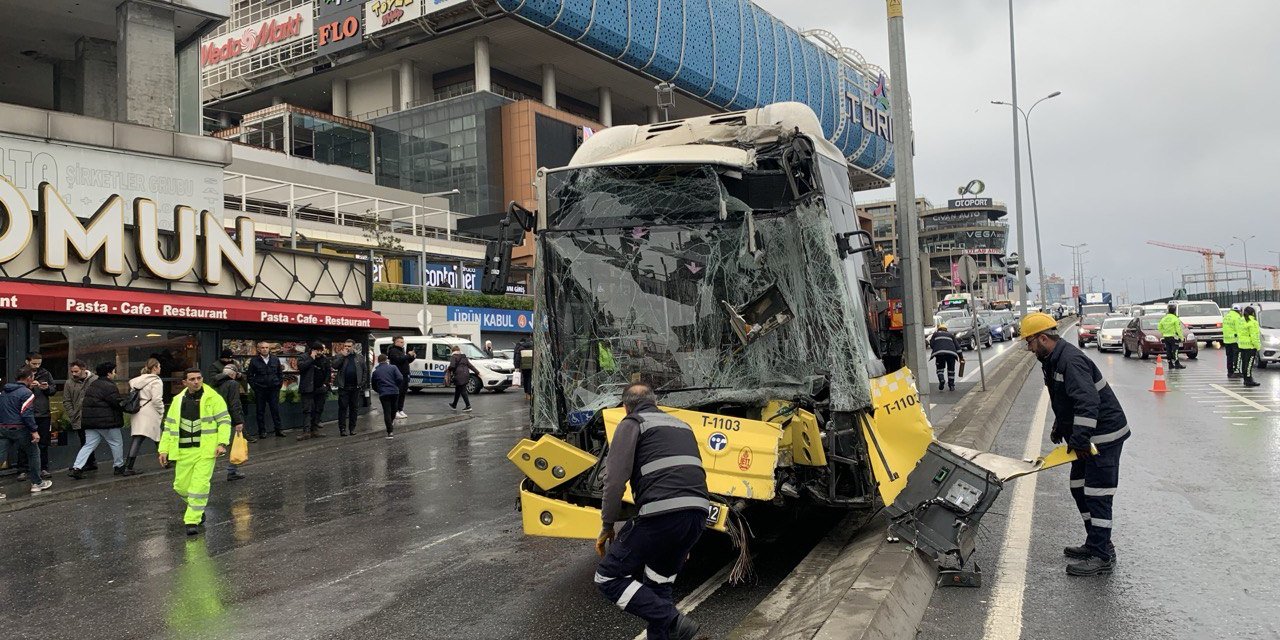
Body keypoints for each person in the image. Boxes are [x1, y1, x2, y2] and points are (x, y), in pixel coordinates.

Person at [595, 383, 708, 640]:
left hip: (661, 514)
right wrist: (684, 538)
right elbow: (695, 473)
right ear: (654, 401)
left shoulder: (631, 423)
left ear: (626, 406)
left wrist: (607, 525)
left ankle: (675, 621)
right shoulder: (682, 425)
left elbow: (613, 481)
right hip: (696, 513)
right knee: (659, 587)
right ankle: (668, 625)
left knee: (607, 576)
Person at [1022, 312, 1129, 576]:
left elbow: (1087, 402)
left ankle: (1102, 555)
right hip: (1086, 437)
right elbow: (1065, 398)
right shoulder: (1051, 360)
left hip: (1102, 437)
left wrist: (1079, 438)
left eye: (1030, 342)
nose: (1028, 347)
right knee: (1079, 487)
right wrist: (1061, 425)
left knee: (1097, 493)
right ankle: (1096, 542)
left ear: (1043, 338)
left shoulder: (1070, 361)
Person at [159, 369, 231, 536]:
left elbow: (224, 421)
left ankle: (192, 520)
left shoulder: (214, 398)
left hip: (206, 450)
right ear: (185, 382)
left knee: (199, 485)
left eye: (199, 378)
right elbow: (169, 427)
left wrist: (222, 443)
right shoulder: (177, 400)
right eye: (192, 379)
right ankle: (197, 508)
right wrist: (163, 450)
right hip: (183, 451)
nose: (196, 382)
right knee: (180, 486)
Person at [1, 367, 54, 497]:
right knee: (34, 453)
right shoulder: (27, 393)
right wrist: (34, 430)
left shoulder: (4, 392)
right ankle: (37, 483)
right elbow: (26, 414)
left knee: (0, 457)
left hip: (3, 428)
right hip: (20, 428)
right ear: (29, 378)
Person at [70, 362, 127, 479]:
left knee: (89, 445)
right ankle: (119, 466)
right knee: (116, 443)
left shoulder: (93, 384)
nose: (114, 374)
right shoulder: (109, 386)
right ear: (108, 373)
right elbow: (116, 402)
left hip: (91, 422)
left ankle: (77, 467)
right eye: (113, 371)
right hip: (107, 422)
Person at [123, 359, 165, 475]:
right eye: (159, 366)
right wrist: (161, 411)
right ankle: (166, 460)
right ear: (155, 368)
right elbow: (157, 399)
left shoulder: (137, 381)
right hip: (150, 411)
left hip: (138, 411)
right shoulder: (156, 381)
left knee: (140, 437)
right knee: (157, 436)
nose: (160, 368)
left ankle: (128, 466)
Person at [212, 357, 247, 481]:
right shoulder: (232, 384)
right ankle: (232, 471)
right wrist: (238, 421)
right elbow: (234, 403)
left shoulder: (214, 383)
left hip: (214, 418)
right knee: (234, 445)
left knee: (214, 445)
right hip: (229, 418)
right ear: (233, 374)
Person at [23, 352, 55, 479]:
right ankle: (23, 469)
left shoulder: (45, 373)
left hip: (42, 412)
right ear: (27, 362)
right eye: (34, 363)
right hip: (26, 412)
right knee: (24, 441)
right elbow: (17, 388)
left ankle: (43, 468)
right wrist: (29, 387)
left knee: (43, 442)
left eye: (39, 363)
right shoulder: (21, 372)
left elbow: (53, 390)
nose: (36, 366)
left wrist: (46, 388)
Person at [62, 361, 98, 471]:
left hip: (93, 415)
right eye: (72, 371)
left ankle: (89, 462)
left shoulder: (94, 380)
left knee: (91, 440)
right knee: (84, 440)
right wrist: (72, 414)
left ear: (83, 369)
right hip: (78, 416)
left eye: (76, 371)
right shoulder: (69, 383)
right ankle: (89, 462)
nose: (73, 374)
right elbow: (67, 400)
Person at [246, 341, 286, 440]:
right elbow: (250, 376)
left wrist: (278, 385)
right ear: (259, 349)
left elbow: (280, 373)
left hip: (273, 389)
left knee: (275, 410)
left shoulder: (275, 359)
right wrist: (255, 387)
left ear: (269, 349)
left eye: (267, 347)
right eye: (262, 348)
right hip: (260, 389)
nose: (265, 349)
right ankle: (262, 431)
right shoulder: (254, 361)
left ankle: (278, 430)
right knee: (260, 411)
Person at [333, 339, 368, 436]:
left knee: (354, 409)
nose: (347, 348)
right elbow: (334, 366)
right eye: (345, 346)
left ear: (353, 347)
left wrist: (362, 383)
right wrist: (342, 357)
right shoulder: (340, 356)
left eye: (349, 346)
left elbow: (365, 371)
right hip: (344, 387)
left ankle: (352, 428)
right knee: (343, 408)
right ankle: (342, 429)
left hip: (355, 388)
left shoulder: (360, 358)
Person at [296, 341, 330, 440]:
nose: (319, 352)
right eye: (317, 350)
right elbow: (301, 367)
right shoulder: (304, 357)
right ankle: (306, 432)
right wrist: (311, 358)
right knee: (307, 410)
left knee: (318, 410)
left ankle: (314, 430)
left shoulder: (325, 359)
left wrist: (325, 384)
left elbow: (328, 372)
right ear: (312, 350)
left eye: (320, 350)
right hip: (307, 389)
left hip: (320, 389)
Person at [371, 354, 404, 439]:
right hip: (394, 392)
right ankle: (391, 422)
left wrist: (379, 390)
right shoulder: (393, 368)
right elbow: (400, 378)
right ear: (387, 360)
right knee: (394, 409)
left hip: (383, 393)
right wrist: (396, 386)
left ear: (378, 361)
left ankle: (390, 432)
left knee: (387, 411)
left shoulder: (376, 372)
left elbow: (373, 385)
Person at [386, 337, 416, 419]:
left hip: (405, 375)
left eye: (403, 342)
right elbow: (399, 360)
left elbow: (405, 361)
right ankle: (395, 411)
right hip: (398, 375)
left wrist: (412, 357)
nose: (403, 343)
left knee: (403, 393)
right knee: (397, 393)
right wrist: (408, 355)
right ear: (396, 342)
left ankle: (400, 409)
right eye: (401, 342)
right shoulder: (393, 351)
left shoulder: (401, 351)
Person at [928, 323, 962, 391]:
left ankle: (942, 380)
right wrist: (961, 357)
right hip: (951, 354)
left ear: (939, 329)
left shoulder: (935, 334)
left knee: (940, 369)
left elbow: (931, 345)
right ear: (946, 330)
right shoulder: (950, 335)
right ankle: (951, 385)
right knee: (951, 370)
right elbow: (957, 347)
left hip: (940, 354)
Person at [1238, 306, 1261, 388]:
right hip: (1250, 346)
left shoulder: (1241, 320)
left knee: (1244, 363)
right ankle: (1248, 380)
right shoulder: (1253, 322)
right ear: (1253, 313)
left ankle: (1246, 379)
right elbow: (1254, 336)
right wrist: (1257, 347)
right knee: (1249, 365)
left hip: (1242, 345)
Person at [445, 345, 474, 412]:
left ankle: (468, 406)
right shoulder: (464, 356)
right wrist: (477, 372)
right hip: (466, 374)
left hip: (459, 375)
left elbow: (452, 366)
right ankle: (454, 404)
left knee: (463, 390)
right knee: (458, 390)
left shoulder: (453, 356)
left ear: (453, 351)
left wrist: (448, 369)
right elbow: (470, 365)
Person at [1157, 305, 1186, 369]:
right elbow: (1178, 329)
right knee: (1175, 350)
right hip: (1174, 337)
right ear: (1175, 311)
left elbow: (1159, 327)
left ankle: (1170, 364)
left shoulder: (1164, 318)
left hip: (1166, 337)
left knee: (1168, 350)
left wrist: (1164, 332)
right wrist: (1181, 337)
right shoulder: (1175, 319)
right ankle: (1177, 364)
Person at [1222, 304, 1243, 379]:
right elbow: (1239, 329)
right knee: (1236, 356)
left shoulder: (1226, 316)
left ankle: (1229, 372)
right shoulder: (1237, 317)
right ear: (1239, 310)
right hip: (1235, 340)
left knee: (1229, 356)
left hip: (1227, 340)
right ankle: (1236, 371)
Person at [514, 337, 534, 401]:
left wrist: (517, 367)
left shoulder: (521, 348)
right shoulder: (533, 347)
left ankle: (526, 394)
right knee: (530, 379)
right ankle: (529, 393)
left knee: (525, 379)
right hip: (531, 366)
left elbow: (517, 358)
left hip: (524, 367)